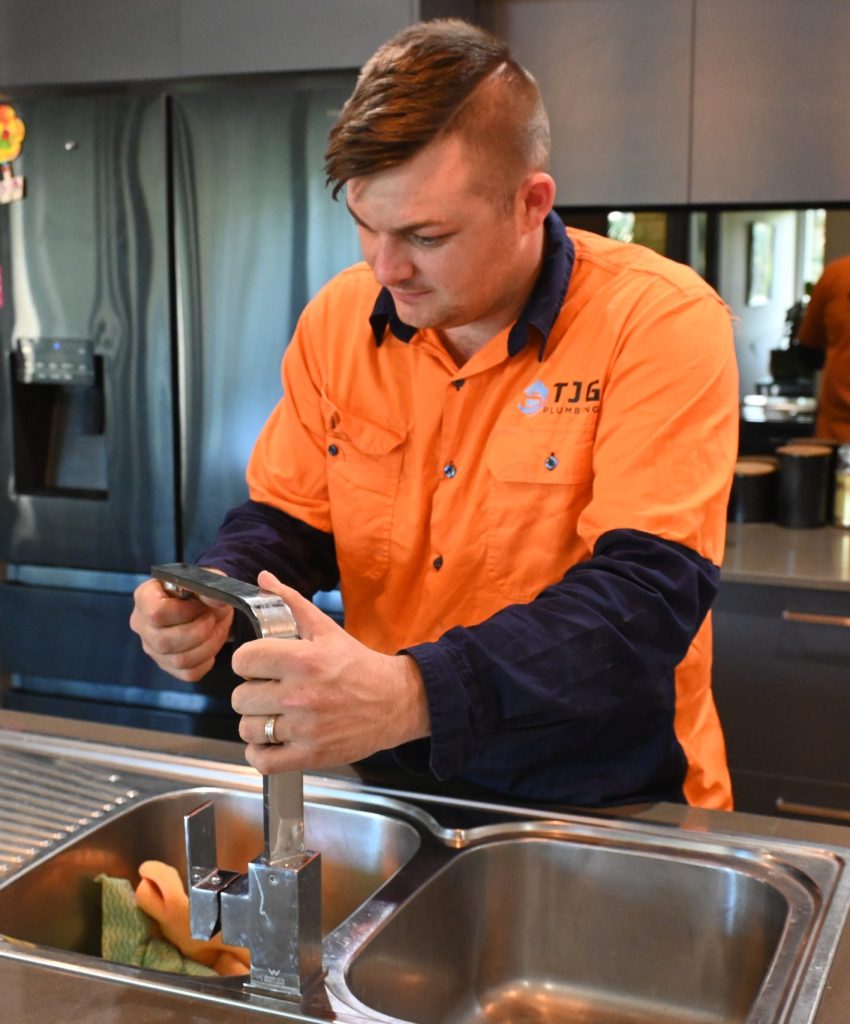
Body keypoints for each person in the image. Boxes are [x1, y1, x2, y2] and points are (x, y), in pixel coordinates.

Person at [130, 19, 739, 811]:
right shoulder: (339, 319)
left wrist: (412, 693)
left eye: (425, 235)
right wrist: (220, 589)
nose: (386, 269)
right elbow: (292, 518)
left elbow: (646, 597)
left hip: (607, 793)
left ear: (531, 203)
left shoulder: (658, 321)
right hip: (395, 778)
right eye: (365, 224)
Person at [797, 254, 850, 441]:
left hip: (838, 426)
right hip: (838, 425)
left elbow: (809, 350)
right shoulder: (837, 274)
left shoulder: (837, 274)